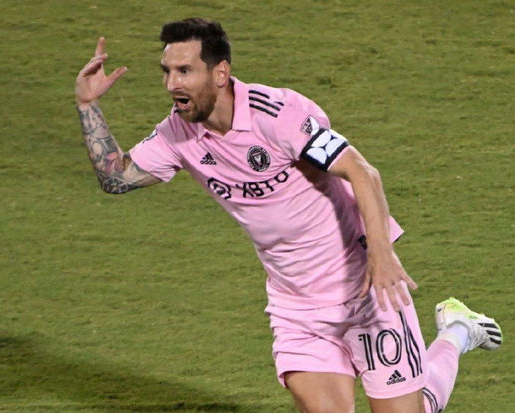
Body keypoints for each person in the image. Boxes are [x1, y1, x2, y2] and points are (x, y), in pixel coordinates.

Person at [74, 18, 502, 413]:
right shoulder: (177, 134)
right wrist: (87, 104)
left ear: (219, 73)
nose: (171, 84)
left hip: (365, 290)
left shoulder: (278, 115)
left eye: (184, 71)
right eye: (166, 71)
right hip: (297, 305)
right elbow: (116, 177)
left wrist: (381, 253)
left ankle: (457, 331)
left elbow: (362, 172)